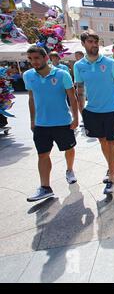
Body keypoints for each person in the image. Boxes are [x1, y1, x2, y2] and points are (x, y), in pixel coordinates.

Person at [74, 31, 114, 195]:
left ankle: (111, 177)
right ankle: (112, 168)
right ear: (83, 44)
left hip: (111, 109)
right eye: (90, 41)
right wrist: (82, 112)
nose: (94, 44)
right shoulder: (78, 66)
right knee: (102, 142)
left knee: (113, 144)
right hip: (93, 111)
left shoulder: (109, 63)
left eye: (96, 41)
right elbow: (80, 90)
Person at [24, 46, 79, 202]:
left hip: (62, 122)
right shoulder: (28, 76)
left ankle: (69, 170)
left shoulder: (62, 74)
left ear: (45, 58)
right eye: (30, 59)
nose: (33, 62)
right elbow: (31, 98)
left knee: (69, 149)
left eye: (36, 58)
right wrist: (32, 120)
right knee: (42, 154)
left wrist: (76, 118)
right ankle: (45, 187)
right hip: (41, 124)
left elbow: (72, 97)